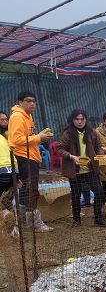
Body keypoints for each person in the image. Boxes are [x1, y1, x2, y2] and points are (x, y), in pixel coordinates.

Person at [8, 91, 54, 232]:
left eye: (33, 101)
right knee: (30, 190)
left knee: (27, 190)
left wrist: (38, 137)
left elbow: (25, 137)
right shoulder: (17, 117)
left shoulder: (27, 116)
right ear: (20, 102)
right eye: (28, 101)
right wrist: (38, 138)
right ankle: (33, 224)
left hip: (30, 157)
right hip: (24, 157)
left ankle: (23, 223)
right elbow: (16, 140)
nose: (32, 103)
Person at [57, 110, 106, 227]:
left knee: (99, 192)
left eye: (82, 119)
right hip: (75, 171)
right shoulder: (67, 133)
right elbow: (59, 149)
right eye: (77, 119)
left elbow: (97, 147)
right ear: (73, 120)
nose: (80, 122)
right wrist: (71, 156)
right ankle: (76, 219)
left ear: (86, 120)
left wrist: (102, 153)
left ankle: (98, 218)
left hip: (91, 169)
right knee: (76, 195)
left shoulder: (91, 132)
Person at [0, 110, 19, 236]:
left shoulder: (8, 137)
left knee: (2, 203)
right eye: (2, 120)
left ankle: (5, 215)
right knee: (10, 201)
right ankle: (14, 230)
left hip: (2, 172)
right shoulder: (8, 137)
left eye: (6, 119)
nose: (5, 122)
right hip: (13, 172)